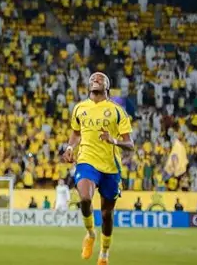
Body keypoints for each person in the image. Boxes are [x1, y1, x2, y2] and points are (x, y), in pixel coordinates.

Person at [62, 72, 134, 265]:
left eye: (100, 78)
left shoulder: (117, 110)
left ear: (107, 85)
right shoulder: (80, 108)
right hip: (87, 160)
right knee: (85, 198)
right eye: (93, 78)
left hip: (110, 167)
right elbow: (76, 133)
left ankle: (104, 254)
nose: (95, 80)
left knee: (106, 214)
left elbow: (130, 144)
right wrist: (70, 147)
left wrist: (114, 140)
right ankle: (90, 233)